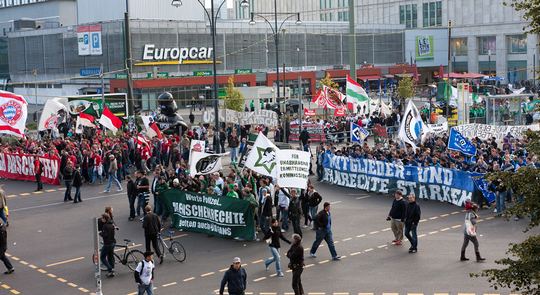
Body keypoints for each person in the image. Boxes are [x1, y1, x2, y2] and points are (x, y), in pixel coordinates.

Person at [99, 213, 116, 277]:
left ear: (105, 219)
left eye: (102, 218)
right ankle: (112, 269)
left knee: (102, 257)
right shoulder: (111, 224)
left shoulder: (105, 226)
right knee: (110, 256)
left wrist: (100, 233)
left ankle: (110, 269)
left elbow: (105, 235)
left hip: (107, 244)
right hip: (113, 242)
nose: (101, 219)